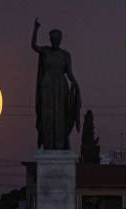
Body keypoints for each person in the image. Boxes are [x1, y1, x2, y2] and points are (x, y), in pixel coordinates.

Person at [31, 18, 81, 150]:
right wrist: (36, 29)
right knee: (48, 115)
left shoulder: (65, 55)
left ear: (61, 39)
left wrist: (76, 84)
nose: (55, 40)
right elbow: (34, 46)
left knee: (60, 115)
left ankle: (61, 144)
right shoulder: (45, 51)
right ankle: (48, 144)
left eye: (57, 38)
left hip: (61, 86)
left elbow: (69, 73)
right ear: (50, 39)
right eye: (53, 38)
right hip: (47, 86)